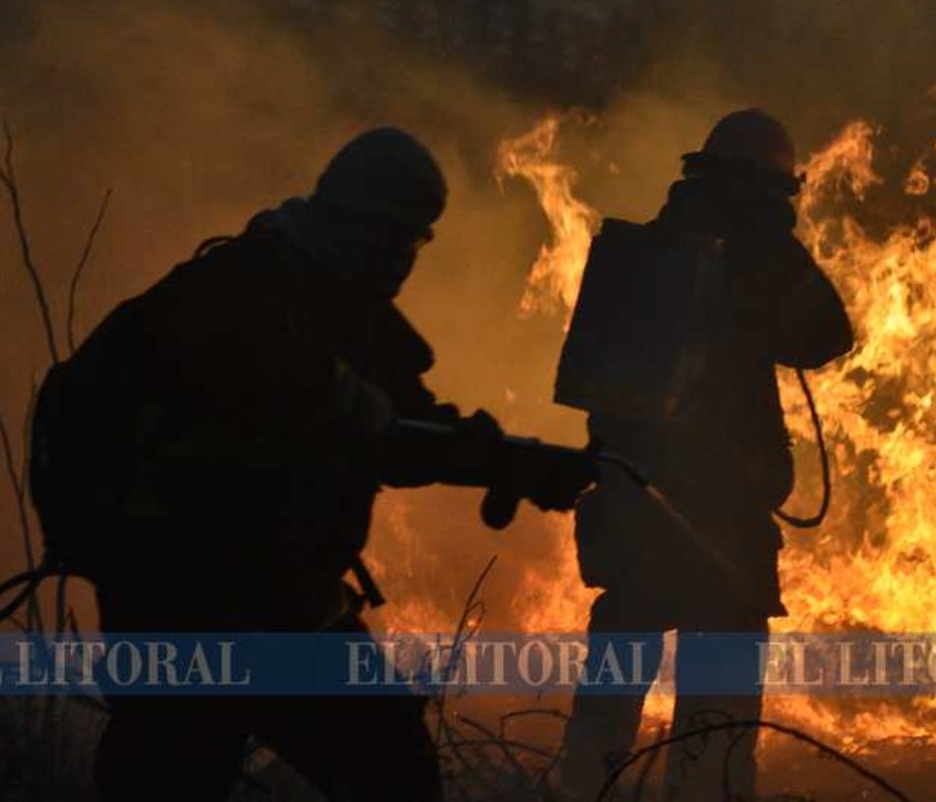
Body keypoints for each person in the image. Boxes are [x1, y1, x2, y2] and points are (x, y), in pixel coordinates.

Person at [77, 127, 583, 801]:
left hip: (287, 605)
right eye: (397, 237)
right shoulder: (233, 295)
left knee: (392, 771)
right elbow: (317, 414)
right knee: (170, 775)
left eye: (415, 241)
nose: (403, 258)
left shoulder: (350, 311)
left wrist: (511, 464)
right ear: (352, 224)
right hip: (187, 609)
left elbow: (403, 432)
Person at [557, 109, 854, 801]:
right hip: (719, 529)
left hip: (630, 513)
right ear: (766, 189)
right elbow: (826, 336)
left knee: (603, 715)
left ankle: (578, 793)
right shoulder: (752, 256)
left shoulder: (649, 250)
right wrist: (776, 244)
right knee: (712, 734)